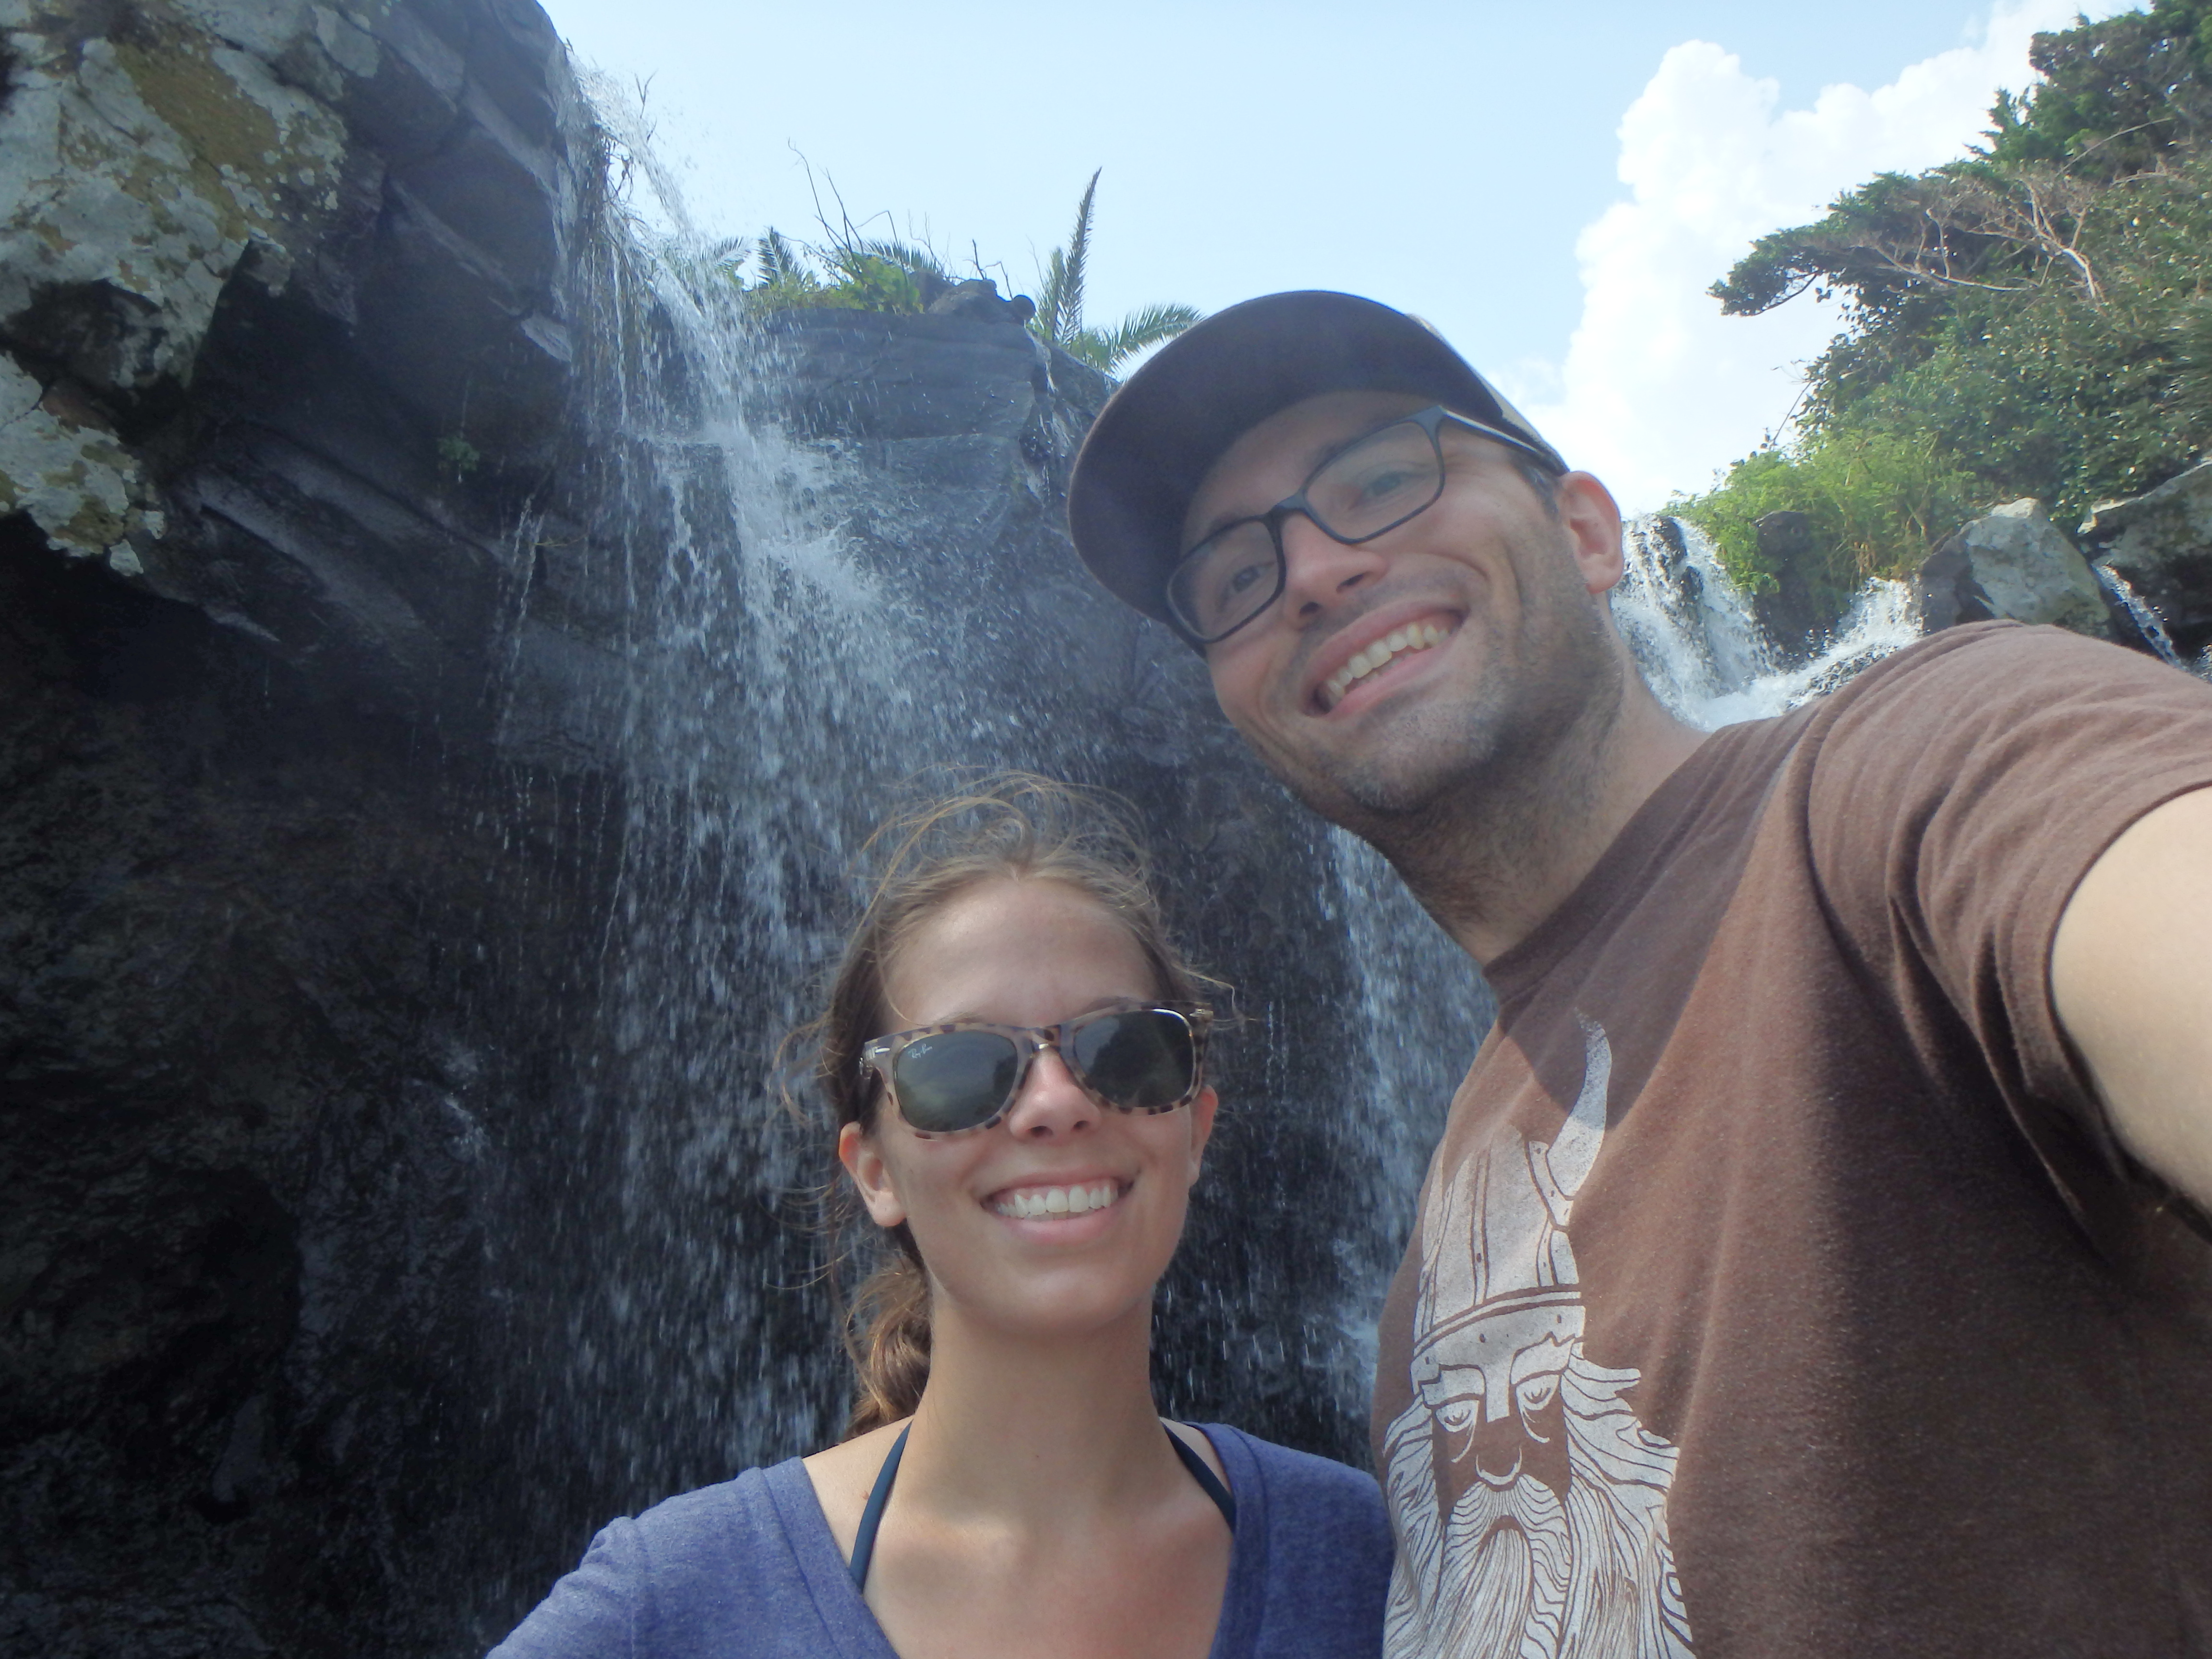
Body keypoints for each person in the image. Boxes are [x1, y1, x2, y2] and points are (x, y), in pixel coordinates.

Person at [1064, 291, 2212, 1658]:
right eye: (1234, 579)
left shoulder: (1915, 773)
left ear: (1588, 533)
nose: (1311, 570)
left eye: (1379, 479)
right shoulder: (1444, 1240)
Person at [490, 775, 1393, 1659]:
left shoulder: (1372, 1557)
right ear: (875, 1172)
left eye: (1124, 1048)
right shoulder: (677, 1598)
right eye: (959, 1067)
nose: (1056, 1102)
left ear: (1194, 1130)